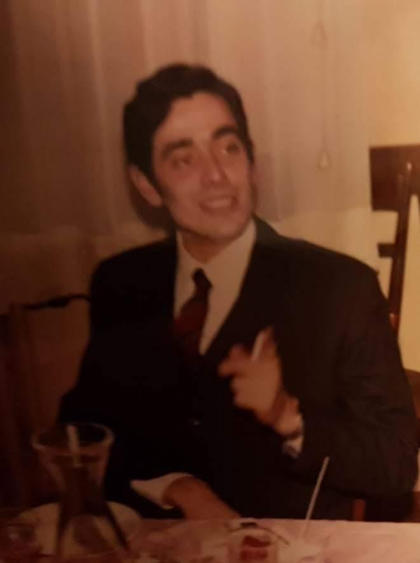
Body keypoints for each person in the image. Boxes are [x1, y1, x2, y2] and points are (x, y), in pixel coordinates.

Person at [60, 64, 418, 520]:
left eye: (228, 148)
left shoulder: (338, 288)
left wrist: (289, 416)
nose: (216, 175)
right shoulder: (122, 284)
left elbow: (395, 465)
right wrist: (178, 488)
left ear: (252, 165)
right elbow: (81, 439)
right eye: (184, 159)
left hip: (289, 545)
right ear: (146, 184)